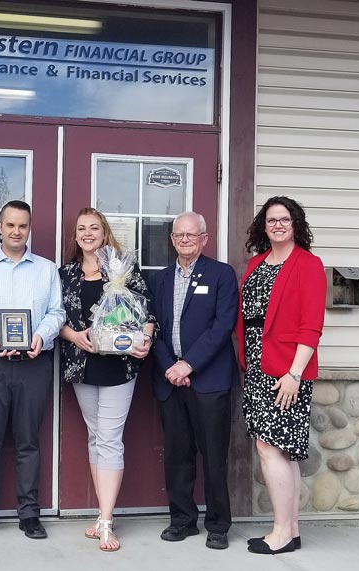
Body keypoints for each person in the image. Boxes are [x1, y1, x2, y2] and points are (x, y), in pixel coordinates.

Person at [0, 200, 65, 542]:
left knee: (28, 442)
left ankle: (29, 513)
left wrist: (40, 336)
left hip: (33, 364)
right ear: (0, 228)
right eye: (10, 225)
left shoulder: (47, 270)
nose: (16, 231)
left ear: (29, 229)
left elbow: (57, 312)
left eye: (23, 226)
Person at [59, 208, 154, 552]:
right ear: (76, 235)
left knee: (110, 438)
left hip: (119, 367)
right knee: (96, 436)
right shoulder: (66, 273)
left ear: (104, 232)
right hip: (82, 366)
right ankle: (102, 513)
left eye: (94, 227)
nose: (88, 233)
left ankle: (106, 521)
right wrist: (73, 336)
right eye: (82, 228)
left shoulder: (124, 269)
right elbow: (57, 318)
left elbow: (147, 312)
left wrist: (144, 341)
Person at [237, 196, 326, 555]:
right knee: (281, 450)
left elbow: (311, 326)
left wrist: (294, 373)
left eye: (284, 220)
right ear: (264, 225)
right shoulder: (257, 263)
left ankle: (280, 533)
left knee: (270, 446)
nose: (277, 225)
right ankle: (290, 529)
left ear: (295, 224)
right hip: (258, 365)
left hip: (287, 369)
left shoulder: (308, 264)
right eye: (271, 220)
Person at [149, 211, 238, 551]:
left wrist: (188, 364)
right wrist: (170, 366)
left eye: (191, 234)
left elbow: (223, 326)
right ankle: (182, 521)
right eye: (179, 235)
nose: (185, 240)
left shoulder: (221, 275)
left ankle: (217, 525)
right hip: (169, 381)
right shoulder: (159, 280)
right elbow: (151, 327)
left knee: (214, 456)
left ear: (204, 238)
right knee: (177, 455)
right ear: (172, 240)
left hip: (209, 381)